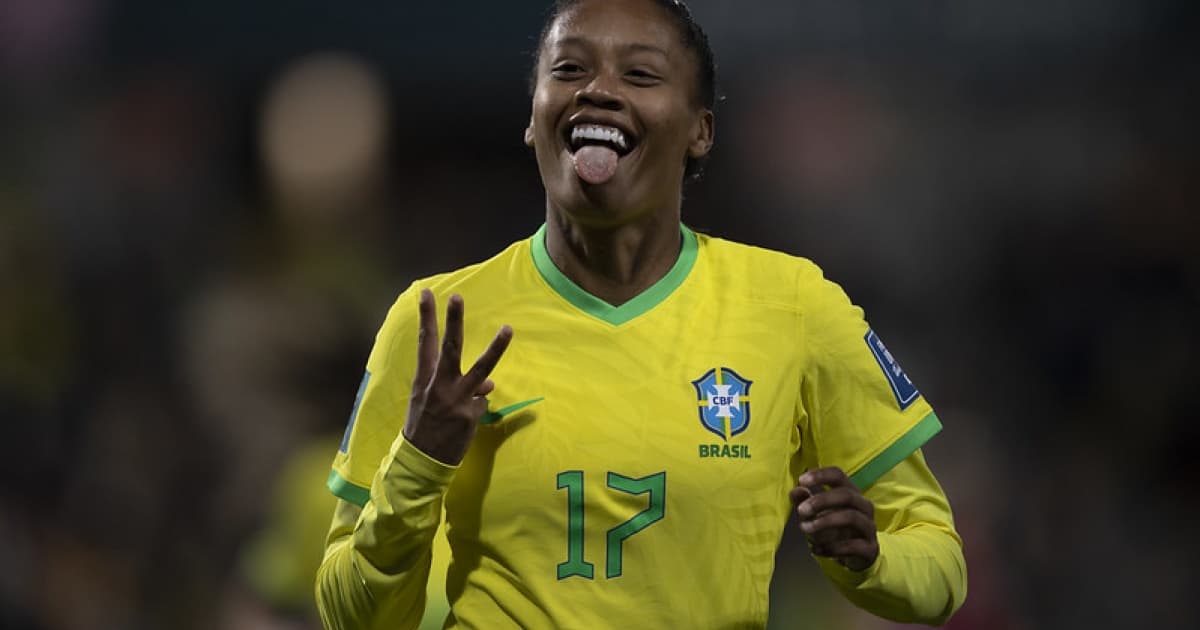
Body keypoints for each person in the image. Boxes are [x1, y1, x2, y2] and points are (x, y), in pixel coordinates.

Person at [315, 0, 967, 627]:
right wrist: (419, 462)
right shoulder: (437, 325)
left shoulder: (793, 307)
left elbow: (940, 570)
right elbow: (349, 615)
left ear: (699, 129)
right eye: (568, 69)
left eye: (640, 73)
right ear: (532, 115)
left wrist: (871, 560)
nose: (597, 89)